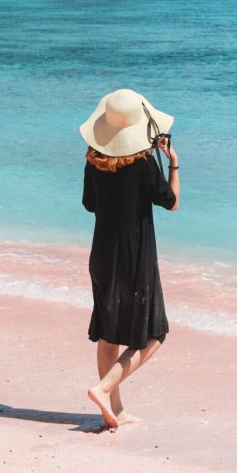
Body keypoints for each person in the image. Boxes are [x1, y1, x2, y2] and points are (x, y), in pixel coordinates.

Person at [78, 88, 180, 429]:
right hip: (134, 257)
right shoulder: (144, 165)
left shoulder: (93, 159)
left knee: (109, 334)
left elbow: (90, 204)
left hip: (102, 254)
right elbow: (172, 202)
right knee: (155, 334)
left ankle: (115, 410)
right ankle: (104, 389)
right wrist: (173, 162)